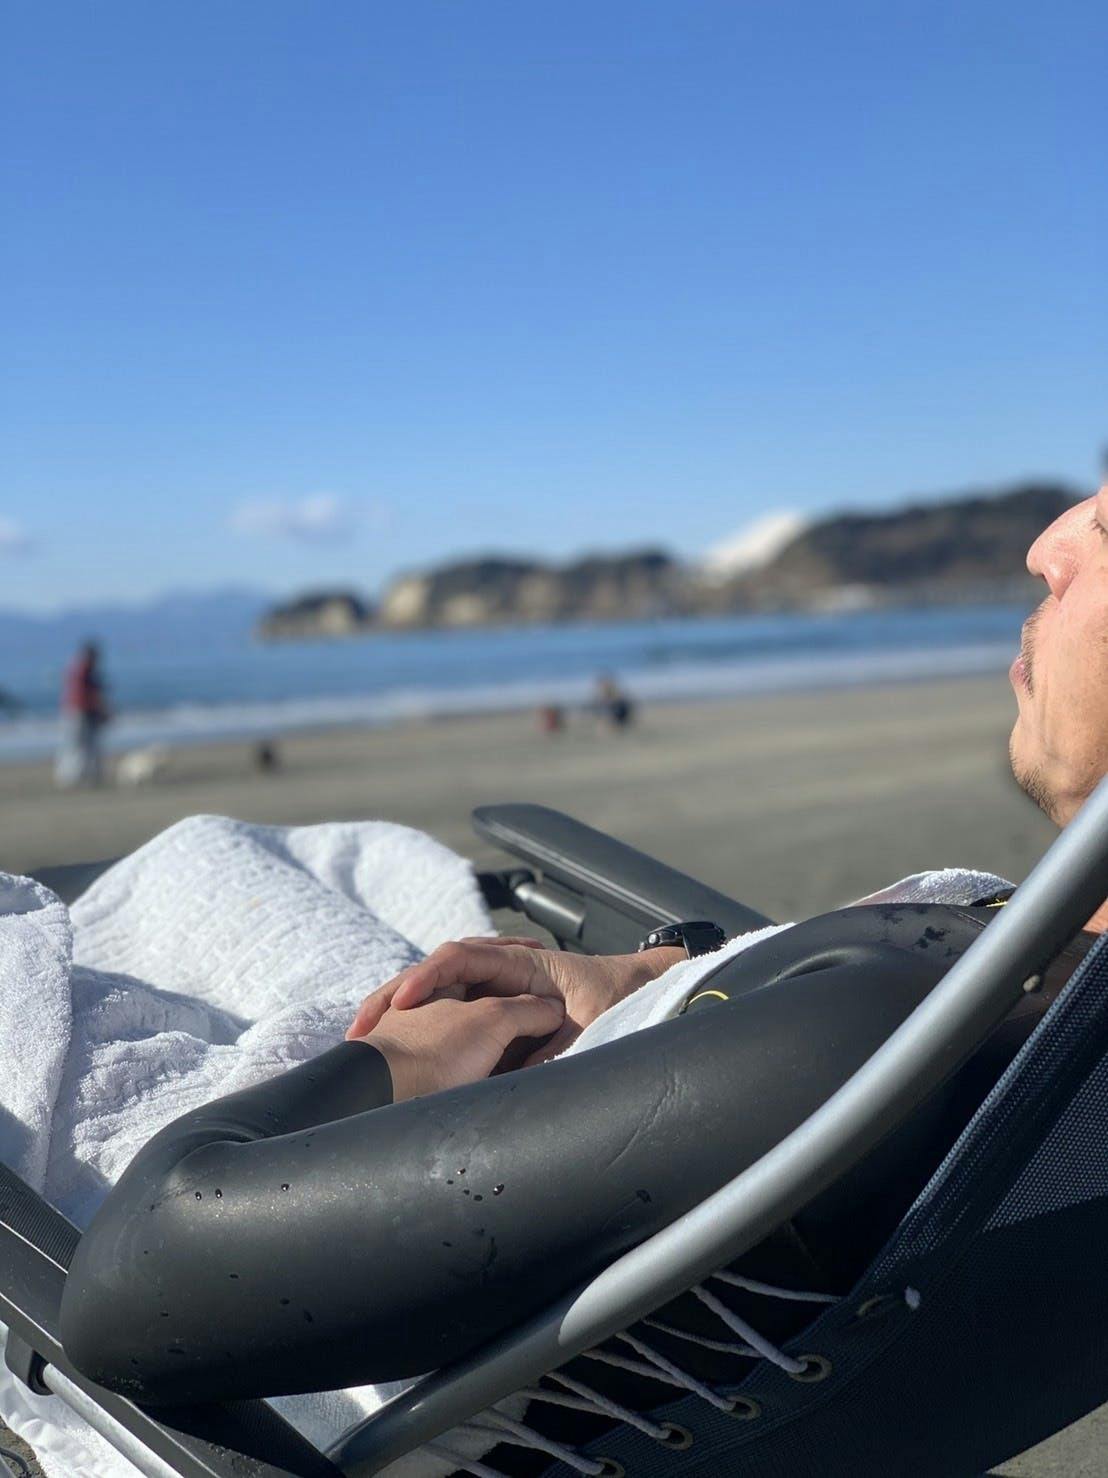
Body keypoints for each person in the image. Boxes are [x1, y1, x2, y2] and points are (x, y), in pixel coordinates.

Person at [60, 489, 1108, 1419]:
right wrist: (653, 978)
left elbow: (134, 1283)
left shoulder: (884, 1034)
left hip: (307, 1303)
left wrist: (400, 1060)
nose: (1046, 547)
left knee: (185, 870)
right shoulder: (1048, 1022)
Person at [55, 641, 110, 787]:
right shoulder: (84, 672)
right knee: (81, 746)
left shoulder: (77, 671)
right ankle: (77, 777)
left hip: (77, 712)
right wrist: (102, 710)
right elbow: (90, 695)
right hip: (80, 713)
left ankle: (78, 776)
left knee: (80, 746)